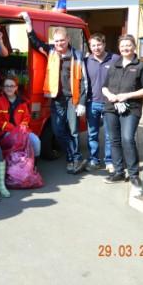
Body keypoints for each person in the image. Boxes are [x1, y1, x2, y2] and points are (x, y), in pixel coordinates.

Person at [20, 11, 88, 174]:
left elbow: (84, 81)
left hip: (73, 99)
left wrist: (82, 103)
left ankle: (74, 159)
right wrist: (28, 23)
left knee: (73, 131)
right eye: (56, 41)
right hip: (57, 99)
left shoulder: (78, 55)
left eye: (62, 40)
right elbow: (35, 42)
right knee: (58, 131)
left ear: (68, 40)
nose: (59, 43)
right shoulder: (50, 51)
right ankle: (75, 158)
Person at [102, 34, 143, 187]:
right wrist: (110, 95)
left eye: (128, 45)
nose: (125, 48)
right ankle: (118, 172)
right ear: (119, 48)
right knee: (114, 140)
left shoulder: (141, 66)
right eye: (122, 46)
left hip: (131, 108)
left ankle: (133, 174)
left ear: (134, 47)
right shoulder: (114, 65)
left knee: (127, 139)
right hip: (111, 108)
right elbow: (104, 87)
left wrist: (127, 95)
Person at [84, 33, 120, 173]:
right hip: (92, 102)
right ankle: (94, 159)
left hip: (109, 103)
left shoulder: (115, 59)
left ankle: (109, 161)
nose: (96, 48)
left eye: (99, 45)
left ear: (104, 44)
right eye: (93, 45)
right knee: (92, 133)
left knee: (109, 134)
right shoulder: (86, 61)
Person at [0, 76, 41, 164]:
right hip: (5, 132)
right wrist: (12, 128)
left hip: (21, 130)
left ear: (16, 87)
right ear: (3, 88)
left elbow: (26, 117)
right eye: (6, 86)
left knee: (36, 141)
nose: (9, 88)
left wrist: (22, 126)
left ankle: (33, 165)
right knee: (18, 142)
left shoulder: (22, 102)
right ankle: (17, 166)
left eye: (11, 86)